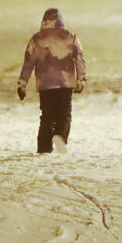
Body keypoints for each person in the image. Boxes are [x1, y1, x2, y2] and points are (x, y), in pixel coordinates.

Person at [17, 8, 86, 154]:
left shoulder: (36, 39)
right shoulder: (70, 36)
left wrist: (22, 84)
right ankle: (60, 137)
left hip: (45, 84)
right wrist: (81, 80)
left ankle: (43, 148)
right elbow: (79, 59)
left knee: (46, 116)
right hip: (65, 83)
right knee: (64, 114)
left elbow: (28, 62)